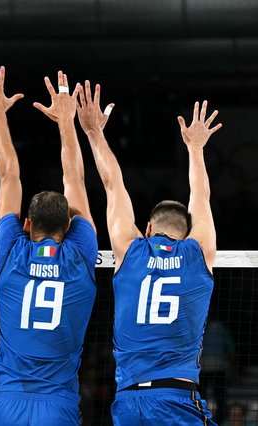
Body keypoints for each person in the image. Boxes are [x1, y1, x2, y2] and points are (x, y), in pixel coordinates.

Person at [78, 82, 222, 425]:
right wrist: (196, 149)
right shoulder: (198, 252)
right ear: (186, 233)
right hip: (176, 399)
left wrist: (94, 133)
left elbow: (113, 184)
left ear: (147, 229)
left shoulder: (130, 250)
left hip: (128, 401)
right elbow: (200, 197)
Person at [0, 66, 98, 425]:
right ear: (70, 226)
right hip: (57, 404)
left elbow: (8, 174)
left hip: (7, 401)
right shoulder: (80, 255)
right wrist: (67, 121)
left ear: (26, 225)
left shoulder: (12, 250)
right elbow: (74, 178)